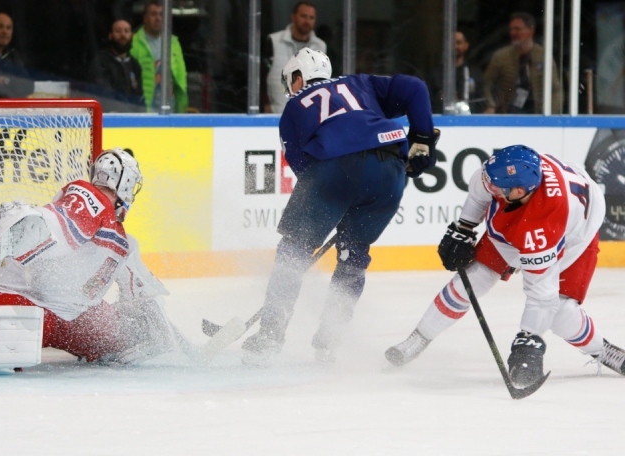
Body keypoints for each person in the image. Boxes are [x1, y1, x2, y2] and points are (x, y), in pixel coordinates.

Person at [240, 48, 438, 366]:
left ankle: (269, 338)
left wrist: (337, 198)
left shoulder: (293, 107)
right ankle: (328, 342)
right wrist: (423, 138)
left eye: (290, 82)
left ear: (298, 76)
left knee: (293, 251)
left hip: (335, 171)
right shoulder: (362, 83)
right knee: (352, 256)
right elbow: (415, 87)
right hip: (390, 173)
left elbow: (304, 170)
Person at [385, 145, 625, 385]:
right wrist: (464, 229)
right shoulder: (503, 173)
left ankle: (602, 350)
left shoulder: (542, 225)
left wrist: (529, 339)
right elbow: (479, 192)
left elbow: (542, 295)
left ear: (519, 191)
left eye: (496, 187)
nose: (489, 186)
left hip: (577, 233)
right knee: (474, 277)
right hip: (533, 214)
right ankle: (419, 338)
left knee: (560, 313)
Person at [0, 148, 179, 365]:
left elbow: (145, 298)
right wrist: (29, 221)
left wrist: (165, 340)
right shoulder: (88, 196)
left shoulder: (125, 242)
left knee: (124, 333)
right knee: (4, 342)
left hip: (69, 319)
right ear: (126, 184)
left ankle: (135, 342)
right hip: (25, 309)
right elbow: (60, 219)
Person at [483, 12, 560, 114]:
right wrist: (491, 105)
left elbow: (555, 89)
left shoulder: (543, 56)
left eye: (517, 29)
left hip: (537, 114)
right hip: (507, 114)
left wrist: (551, 114)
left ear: (531, 31)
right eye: (511, 29)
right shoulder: (501, 56)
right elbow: (486, 83)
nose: (513, 33)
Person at [262, 2, 326, 114]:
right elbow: (260, 76)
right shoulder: (274, 41)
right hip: (276, 114)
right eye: (303, 16)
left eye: (311, 18)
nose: (307, 21)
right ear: (293, 17)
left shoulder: (320, 46)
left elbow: (323, 82)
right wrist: (263, 105)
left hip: (307, 116)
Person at [130, 0, 188, 113]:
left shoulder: (173, 42)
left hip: (170, 105)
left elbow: (181, 76)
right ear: (145, 18)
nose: (158, 18)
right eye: (153, 14)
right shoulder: (134, 42)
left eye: (161, 14)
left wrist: (181, 107)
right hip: (144, 107)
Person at [428, 31, 485, 114]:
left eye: (459, 43)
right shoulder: (436, 74)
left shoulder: (474, 73)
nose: (455, 46)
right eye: (452, 43)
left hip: (471, 122)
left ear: (466, 46)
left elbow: (481, 100)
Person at [94, 19, 145, 110]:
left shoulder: (134, 64)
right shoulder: (101, 61)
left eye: (126, 31)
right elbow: (104, 94)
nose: (123, 35)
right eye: (118, 31)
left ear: (132, 36)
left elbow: (139, 98)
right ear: (110, 35)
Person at [0, 12, 32, 98]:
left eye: (8, 28)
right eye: (0, 27)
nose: (5, 31)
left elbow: (28, 86)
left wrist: (6, 80)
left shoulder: (13, 56)